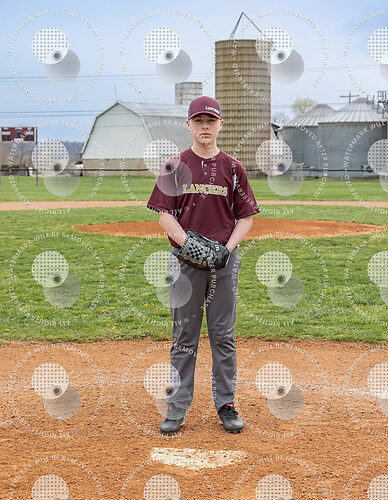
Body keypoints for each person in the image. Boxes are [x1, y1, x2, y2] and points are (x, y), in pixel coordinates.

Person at [147, 96, 260, 435]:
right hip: (186, 264)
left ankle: (226, 404)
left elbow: (245, 218)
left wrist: (226, 249)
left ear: (220, 125)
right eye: (198, 121)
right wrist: (189, 244)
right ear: (189, 125)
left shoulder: (233, 168)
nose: (205, 127)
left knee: (223, 336)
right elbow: (165, 216)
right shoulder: (175, 166)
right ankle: (177, 406)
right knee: (184, 335)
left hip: (224, 264)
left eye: (211, 121)